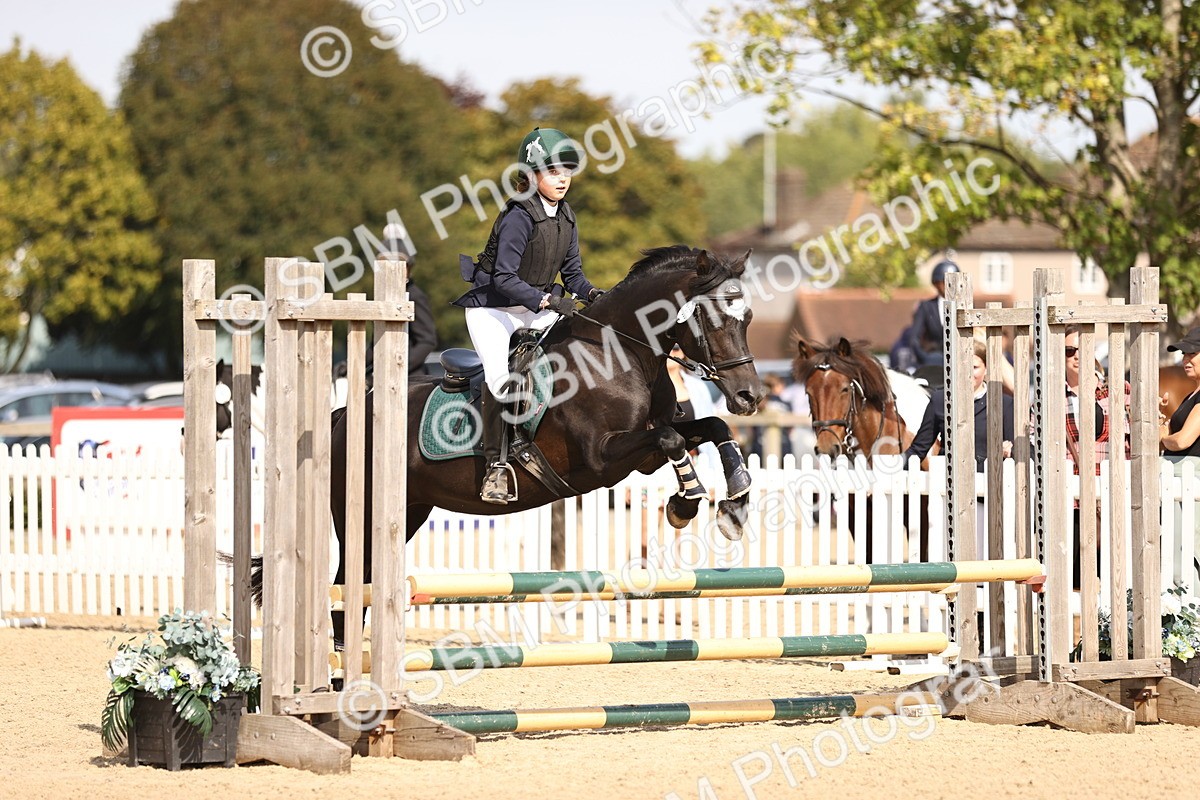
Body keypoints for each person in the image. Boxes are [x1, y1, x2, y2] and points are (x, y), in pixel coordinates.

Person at [453, 127, 603, 504]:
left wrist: (595, 294)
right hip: (493, 310)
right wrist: (548, 302)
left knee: (574, 348)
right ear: (532, 174)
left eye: (567, 170)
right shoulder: (519, 214)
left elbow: (573, 276)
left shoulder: (566, 216)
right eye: (553, 170)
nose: (563, 178)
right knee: (500, 378)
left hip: (533, 309)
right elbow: (503, 277)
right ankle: (495, 466)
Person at [903, 338, 1014, 556]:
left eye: (974, 367)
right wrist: (890, 472)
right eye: (962, 366)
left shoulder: (1004, 403)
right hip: (947, 492)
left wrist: (1009, 450)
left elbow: (1018, 449)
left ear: (986, 369)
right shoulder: (939, 400)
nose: (968, 373)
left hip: (988, 493)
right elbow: (919, 447)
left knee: (982, 559)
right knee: (944, 556)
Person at [1064, 325, 1130, 589]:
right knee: (1076, 582)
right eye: (1070, 350)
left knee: (1117, 579)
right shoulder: (1050, 398)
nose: (1078, 356)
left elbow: (1135, 437)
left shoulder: (1118, 391)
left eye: (1084, 348)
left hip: (1113, 495)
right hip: (1073, 498)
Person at [1160, 327, 1200, 590]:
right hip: (1178, 482)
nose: (1185, 359)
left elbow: (1184, 439)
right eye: (1184, 354)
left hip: (1191, 480)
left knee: (1189, 552)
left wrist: (1162, 437)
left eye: (1192, 354)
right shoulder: (1191, 394)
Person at [909, 257, 960, 367]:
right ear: (936, 284)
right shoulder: (926, 306)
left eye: (952, 282)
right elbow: (914, 338)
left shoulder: (966, 305)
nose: (949, 286)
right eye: (945, 282)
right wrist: (924, 358)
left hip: (960, 360)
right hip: (934, 360)